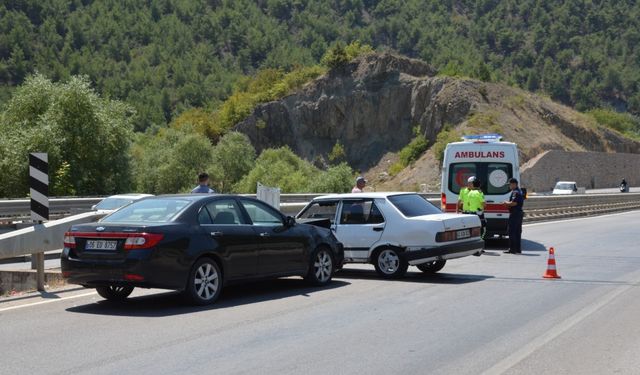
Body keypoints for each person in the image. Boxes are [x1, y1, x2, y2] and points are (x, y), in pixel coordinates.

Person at [502, 178, 524, 254]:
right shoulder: (519, 191)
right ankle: (518, 249)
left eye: (510, 184)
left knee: (512, 231)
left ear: (514, 184)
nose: (509, 186)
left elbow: (514, 203)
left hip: (515, 213)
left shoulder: (515, 192)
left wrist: (506, 203)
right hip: (518, 213)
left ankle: (512, 249)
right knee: (517, 232)